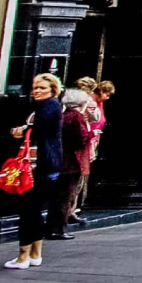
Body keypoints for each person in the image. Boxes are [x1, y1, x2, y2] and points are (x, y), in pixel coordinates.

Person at [6, 72, 65, 269]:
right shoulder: (49, 106)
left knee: (28, 210)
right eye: (35, 88)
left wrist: (23, 130)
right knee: (36, 210)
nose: (37, 91)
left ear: (52, 90)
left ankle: (23, 256)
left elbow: (41, 130)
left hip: (38, 166)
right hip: (44, 164)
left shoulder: (48, 106)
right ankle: (35, 253)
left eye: (42, 88)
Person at [47, 89, 91, 240]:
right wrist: (91, 134)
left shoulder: (64, 115)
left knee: (58, 196)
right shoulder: (76, 117)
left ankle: (53, 227)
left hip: (60, 159)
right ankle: (58, 229)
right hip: (70, 162)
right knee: (66, 196)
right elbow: (81, 138)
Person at [62, 78, 102, 226]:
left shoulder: (69, 102)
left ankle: (69, 210)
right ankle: (68, 212)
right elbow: (94, 118)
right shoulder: (79, 106)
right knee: (75, 181)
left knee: (75, 182)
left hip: (73, 146)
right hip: (78, 147)